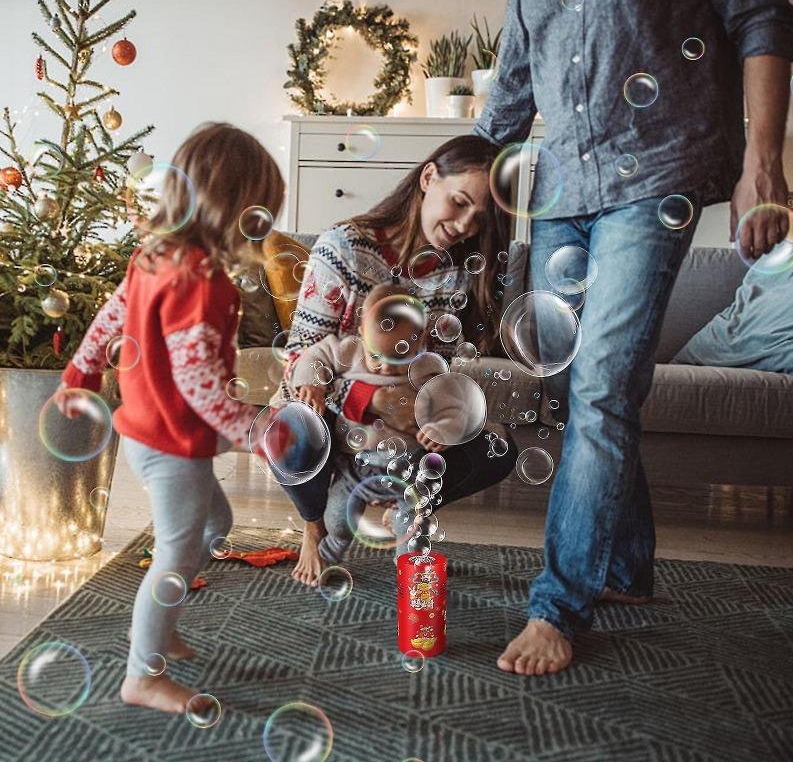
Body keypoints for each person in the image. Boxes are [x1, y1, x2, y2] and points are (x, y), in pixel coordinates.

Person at [475, 0, 793, 675]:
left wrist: (764, 163)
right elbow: (509, 93)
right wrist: (428, 203)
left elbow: (763, 15)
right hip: (561, 192)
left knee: (602, 384)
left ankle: (556, 609)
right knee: (569, 382)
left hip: (655, 175)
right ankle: (624, 566)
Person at [55, 123, 284, 714]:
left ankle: (155, 626)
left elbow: (111, 317)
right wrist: (257, 434)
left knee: (214, 525)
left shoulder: (154, 256)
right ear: (236, 210)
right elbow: (198, 382)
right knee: (177, 556)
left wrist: (79, 372)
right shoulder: (199, 284)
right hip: (174, 444)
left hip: (149, 434)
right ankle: (142, 674)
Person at [272, 135, 519, 586]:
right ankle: (316, 524)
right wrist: (372, 399)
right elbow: (299, 358)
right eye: (458, 202)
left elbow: (439, 371)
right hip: (334, 417)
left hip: (405, 434)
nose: (464, 225)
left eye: (477, 217)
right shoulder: (343, 248)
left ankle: (404, 499)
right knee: (286, 432)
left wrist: (428, 418)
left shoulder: (458, 272)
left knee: (495, 447)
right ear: (429, 178)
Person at [293, 282, 466, 567]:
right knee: (337, 517)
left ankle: (409, 569)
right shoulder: (349, 350)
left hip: (409, 471)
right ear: (360, 333)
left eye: (398, 357)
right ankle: (334, 544)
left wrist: (444, 429)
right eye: (375, 356)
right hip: (353, 467)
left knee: (409, 527)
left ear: (421, 339)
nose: (385, 368)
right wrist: (312, 384)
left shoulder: (427, 368)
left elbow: (453, 404)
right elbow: (315, 356)